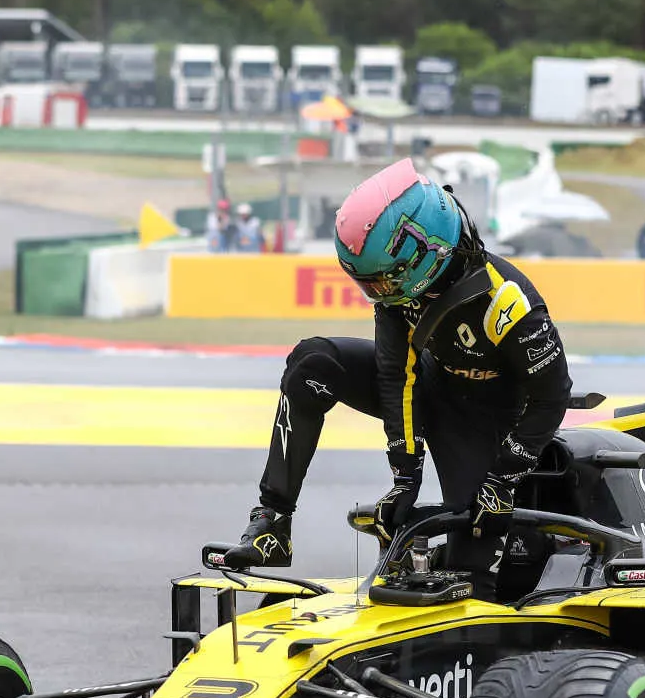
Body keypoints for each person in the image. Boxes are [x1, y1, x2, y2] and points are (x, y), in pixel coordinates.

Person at [224, 158, 572, 586]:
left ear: (424, 251)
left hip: (489, 417)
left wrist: (502, 478)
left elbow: (552, 396)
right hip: (428, 386)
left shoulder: (509, 303)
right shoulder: (399, 291)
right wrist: (406, 474)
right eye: (367, 284)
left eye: (381, 283)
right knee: (312, 363)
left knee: (477, 561)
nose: (375, 294)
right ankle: (272, 521)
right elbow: (396, 374)